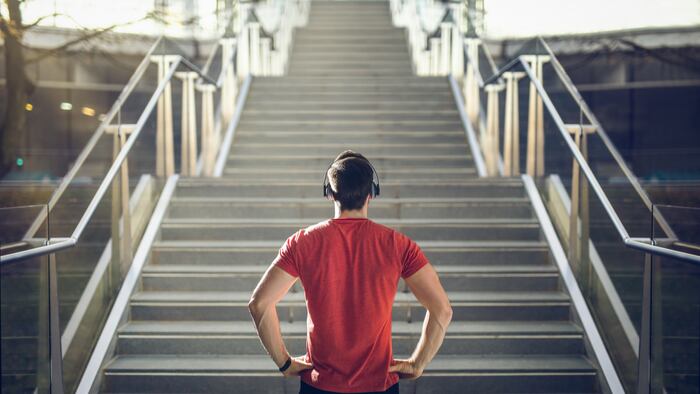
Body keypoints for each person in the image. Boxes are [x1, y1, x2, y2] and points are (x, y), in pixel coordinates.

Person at [248, 150, 453, 394]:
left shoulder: (302, 242)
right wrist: (418, 363)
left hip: (320, 384)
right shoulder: (398, 245)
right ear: (372, 193)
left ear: (330, 193)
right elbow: (442, 309)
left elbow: (259, 304)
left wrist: (284, 363)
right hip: (379, 385)